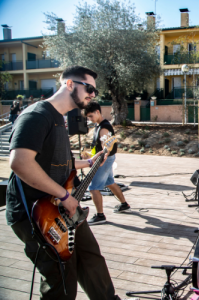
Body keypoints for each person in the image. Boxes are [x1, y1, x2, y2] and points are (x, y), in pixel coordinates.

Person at [7, 66, 136, 300]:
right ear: (69, 84)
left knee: (91, 261)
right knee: (62, 281)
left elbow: (58, 163)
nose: (92, 95)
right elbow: (20, 163)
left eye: (95, 91)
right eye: (89, 89)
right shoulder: (36, 116)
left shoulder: (59, 119)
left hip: (65, 206)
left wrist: (88, 163)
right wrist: (65, 196)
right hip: (38, 214)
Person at [83, 101, 131, 225]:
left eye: (90, 116)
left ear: (98, 112)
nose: (89, 119)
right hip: (106, 158)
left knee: (93, 188)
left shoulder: (104, 128)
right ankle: (124, 204)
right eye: (88, 117)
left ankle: (100, 215)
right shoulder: (99, 125)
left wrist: (99, 158)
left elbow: (106, 147)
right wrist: (91, 155)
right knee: (110, 182)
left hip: (104, 160)